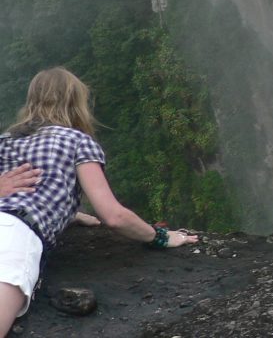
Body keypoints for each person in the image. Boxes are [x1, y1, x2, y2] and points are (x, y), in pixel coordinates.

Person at [0, 67, 199, 334]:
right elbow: (113, 216)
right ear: (75, 103)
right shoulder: (78, 141)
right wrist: (160, 237)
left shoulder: (6, 140)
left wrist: (69, 213)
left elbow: (33, 191)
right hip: (13, 238)